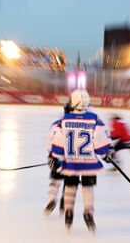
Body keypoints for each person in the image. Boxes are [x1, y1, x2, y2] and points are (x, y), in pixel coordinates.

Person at [48, 89, 112, 232]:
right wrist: (105, 154)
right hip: (89, 163)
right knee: (88, 188)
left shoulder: (64, 120)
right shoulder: (94, 118)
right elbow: (101, 141)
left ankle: (69, 213)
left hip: (71, 162)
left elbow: (58, 143)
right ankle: (88, 214)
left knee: (70, 187)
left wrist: (55, 158)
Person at [43, 103, 72, 216]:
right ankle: (64, 202)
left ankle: (51, 199)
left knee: (55, 180)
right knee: (69, 183)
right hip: (73, 160)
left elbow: (49, 140)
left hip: (57, 158)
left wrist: (50, 155)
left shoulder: (56, 124)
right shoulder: (80, 124)